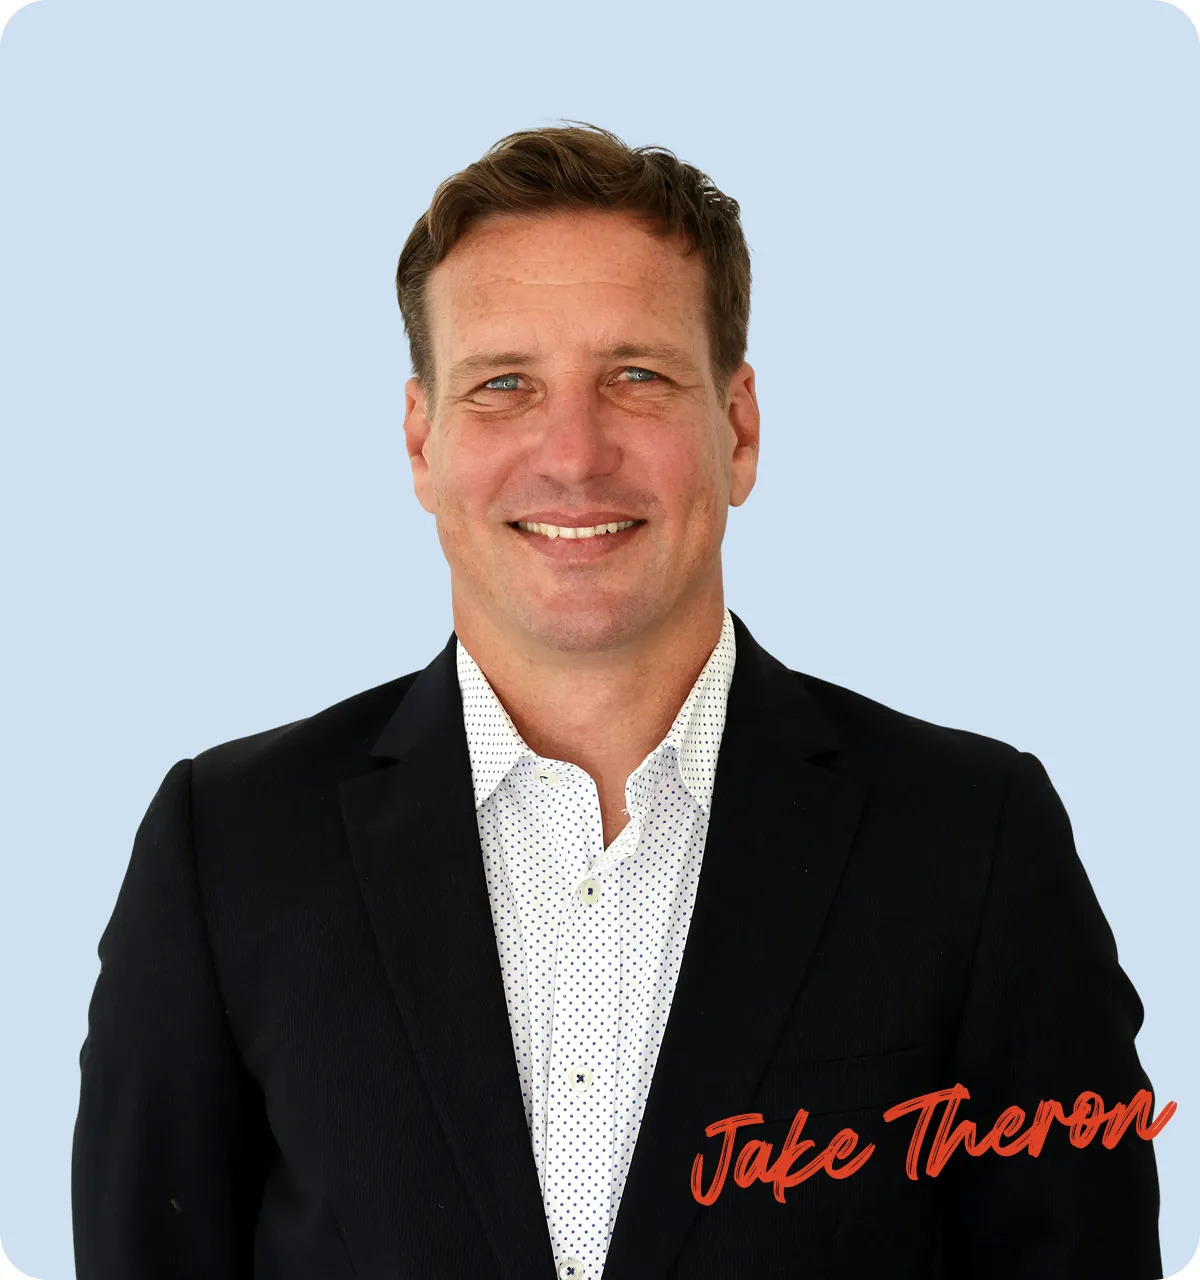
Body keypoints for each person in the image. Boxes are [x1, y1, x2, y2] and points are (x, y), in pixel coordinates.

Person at [71, 122, 1165, 1280]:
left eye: (636, 376)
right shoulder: (229, 845)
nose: (575, 453)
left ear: (737, 429)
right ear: (420, 441)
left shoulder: (973, 835)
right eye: (503, 386)